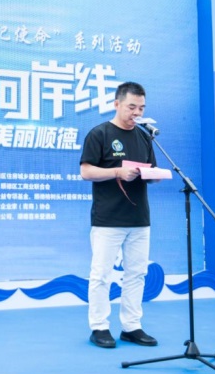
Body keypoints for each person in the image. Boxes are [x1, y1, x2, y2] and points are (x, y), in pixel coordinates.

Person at [79, 81, 158, 349]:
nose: (137, 112)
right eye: (131, 107)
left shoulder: (144, 137)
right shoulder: (99, 134)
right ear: (116, 104)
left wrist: (153, 176)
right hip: (108, 219)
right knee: (101, 275)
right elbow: (86, 171)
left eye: (141, 108)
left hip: (139, 219)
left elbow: (151, 171)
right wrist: (116, 172)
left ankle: (131, 326)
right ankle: (99, 327)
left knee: (136, 274)